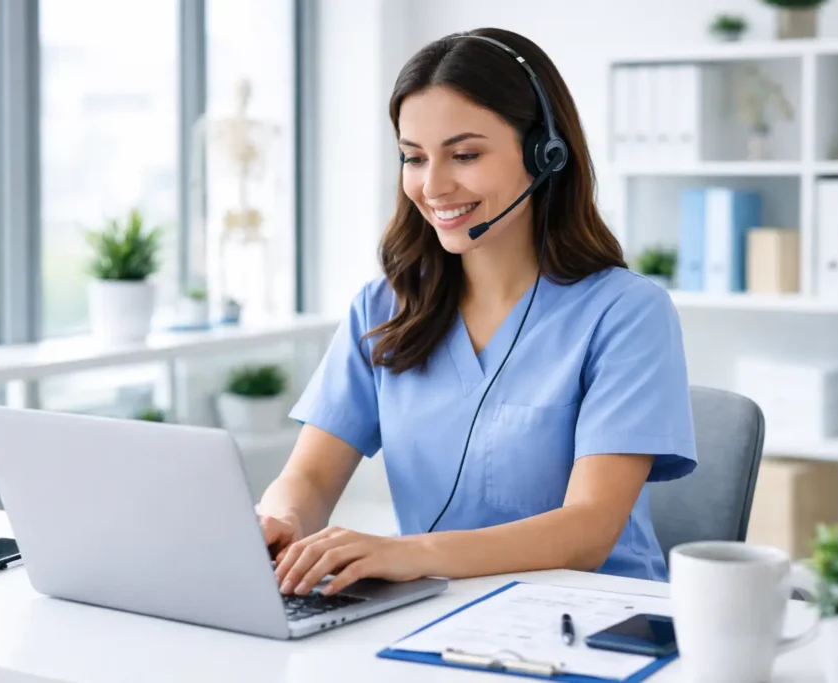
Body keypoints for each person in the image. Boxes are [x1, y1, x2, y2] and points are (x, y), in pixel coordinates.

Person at [258, 27, 697, 598]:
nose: (433, 185)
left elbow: (589, 529)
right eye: (413, 158)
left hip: (591, 622)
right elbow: (311, 476)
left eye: (464, 155)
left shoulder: (627, 312)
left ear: (545, 153)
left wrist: (406, 552)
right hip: (430, 617)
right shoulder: (384, 307)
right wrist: (283, 519)